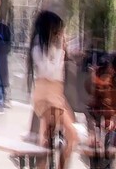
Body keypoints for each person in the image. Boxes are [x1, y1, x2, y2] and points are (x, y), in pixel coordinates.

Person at [27, 10, 78, 169]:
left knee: (47, 139)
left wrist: (63, 49)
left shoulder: (51, 45)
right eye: (58, 29)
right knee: (71, 135)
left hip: (55, 94)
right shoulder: (38, 47)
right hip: (47, 95)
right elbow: (48, 71)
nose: (61, 33)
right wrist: (61, 51)